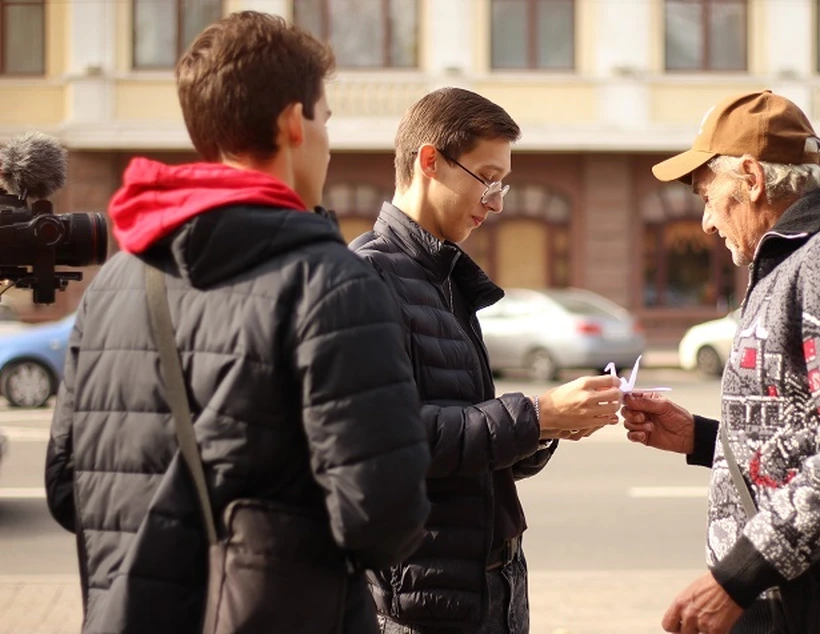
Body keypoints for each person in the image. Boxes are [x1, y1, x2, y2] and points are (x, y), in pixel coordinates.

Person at [44, 11, 430, 634]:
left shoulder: (116, 278)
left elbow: (67, 490)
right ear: (290, 124)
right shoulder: (330, 282)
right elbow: (382, 517)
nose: (328, 140)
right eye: (324, 119)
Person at [622, 90, 820, 634]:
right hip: (793, 596)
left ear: (753, 178)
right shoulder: (798, 257)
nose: (707, 222)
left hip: (809, 601)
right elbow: (813, 431)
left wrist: (737, 577)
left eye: (708, 196)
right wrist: (701, 439)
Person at [350, 87, 623, 633]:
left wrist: (551, 429)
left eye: (503, 183)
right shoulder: (368, 277)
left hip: (489, 589)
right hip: (420, 604)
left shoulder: (447, 277)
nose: (497, 201)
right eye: (487, 178)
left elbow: (473, 440)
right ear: (431, 161)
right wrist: (537, 415)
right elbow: (393, 441)